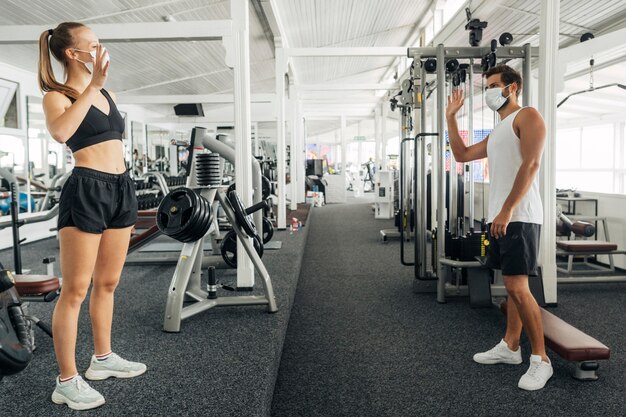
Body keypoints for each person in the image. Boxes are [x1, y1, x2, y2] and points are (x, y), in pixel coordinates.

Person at [39, 22, 146, 410]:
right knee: (75, 290)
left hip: (121, 187)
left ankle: (103, 359)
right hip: (86, 188)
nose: (100, 50)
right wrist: (92, 85)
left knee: (108, 282)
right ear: (72, 53)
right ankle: (66, 381)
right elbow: (61, 132)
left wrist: (99, 87)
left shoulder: (109, 94)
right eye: (93, 44)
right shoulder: (57, 95)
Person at [445, 64, 551, 391]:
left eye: (493, 85)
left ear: (512, 87)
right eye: (487, 86)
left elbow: (532, 164)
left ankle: (541, 360)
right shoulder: (499, 130)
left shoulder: (528, 116)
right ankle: (510, 347)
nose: (489, 91)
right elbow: (461, 154)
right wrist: (451, 118)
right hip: (500, 217)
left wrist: (507, 209)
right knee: (510, 285)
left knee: (518, 287)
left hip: (519, 215)